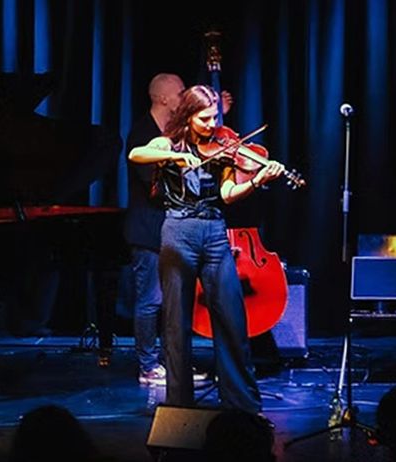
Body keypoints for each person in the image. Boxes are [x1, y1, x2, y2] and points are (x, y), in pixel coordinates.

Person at [129, 85, 282, 414]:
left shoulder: (223, 149)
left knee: (231, 319)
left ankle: (242, 406)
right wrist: (174, 155)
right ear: (188, 116)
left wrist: (255, 182)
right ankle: (179, 407)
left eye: (215, 117)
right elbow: (136, 155)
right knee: (175, 323)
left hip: (214, 233)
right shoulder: (167, 143)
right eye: (205, 118)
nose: (212, 124)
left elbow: (227, 194)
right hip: (178, 232)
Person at [125, 73, 227, 386]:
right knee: (150, 301)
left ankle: (175, 363)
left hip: (170, 229)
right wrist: (177, 160)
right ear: (164, 98)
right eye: (180, 92)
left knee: (172, 302)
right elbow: (153, 186)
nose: (183, 96)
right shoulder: (145, 133)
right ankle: (148, 366)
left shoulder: (172, 131)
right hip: (148, 229)